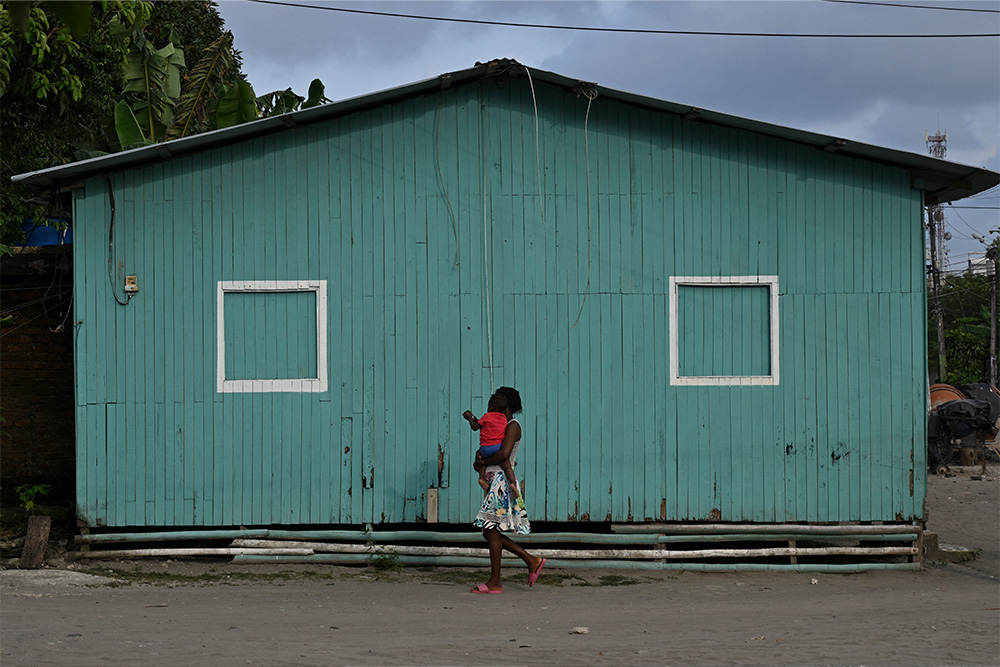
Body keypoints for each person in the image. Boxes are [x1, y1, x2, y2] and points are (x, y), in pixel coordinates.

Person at [470, 386, 546, 594]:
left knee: (490, 530)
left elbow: (503, 454)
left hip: (502, 482)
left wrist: (483, 459)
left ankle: (497, 581)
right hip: (493, 480)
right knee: (489, 531)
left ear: (506, 405)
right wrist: (480, 463)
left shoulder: (513, 426)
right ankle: (531, 560)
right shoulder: (498, 426)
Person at [463, 392, 519, 497]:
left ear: (491, 406)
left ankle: (481, 479)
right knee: (507, 466)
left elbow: (476, 426)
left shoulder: (489, 417)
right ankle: (513, 484)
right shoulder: (504, 420)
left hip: (487, 453)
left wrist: (471, 418)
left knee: (481, 460)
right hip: (496, 455)